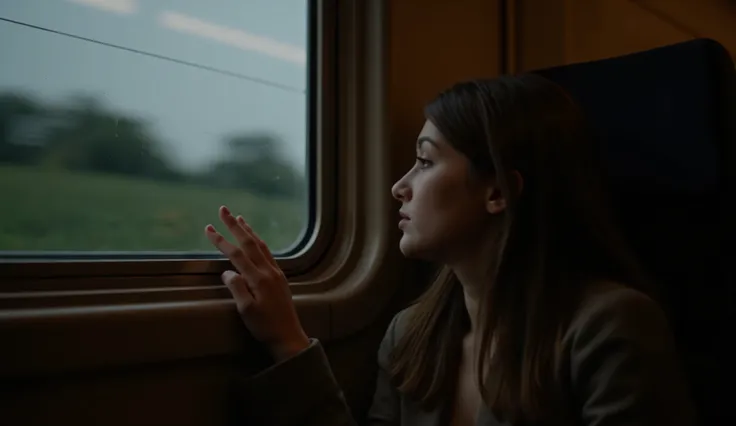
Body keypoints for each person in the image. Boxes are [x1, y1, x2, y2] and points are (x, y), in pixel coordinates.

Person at [204, 74, 698, 425]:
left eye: (424, 162)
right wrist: (286, 339)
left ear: (498, 192)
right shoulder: (412, 335)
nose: (400, 186)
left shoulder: (611, 326)